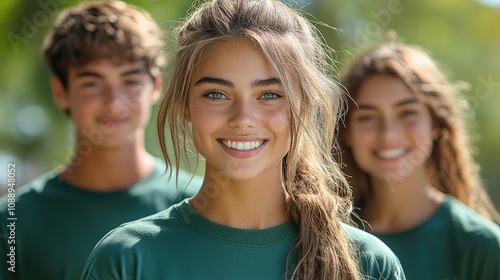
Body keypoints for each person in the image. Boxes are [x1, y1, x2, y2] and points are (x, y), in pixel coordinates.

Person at [81, 1, 406, 279]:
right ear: (185, 106)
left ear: (303, 107)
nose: (242, 118)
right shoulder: (126, 260)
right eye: (216, 94)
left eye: (269, 94)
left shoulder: (367, 264)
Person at [0, 2, 202, 279]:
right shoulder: (13, 221)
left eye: (130, 81)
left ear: (155, 86)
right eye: (92, 83)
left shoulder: (202, 203)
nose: (114, 101)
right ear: (61, 91)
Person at [338, 42, 500, 280]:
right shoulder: (325, 237)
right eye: (368, 117)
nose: (388, 134)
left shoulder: (481, 246)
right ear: (346, 132)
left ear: (436, 124)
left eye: (407, 113)